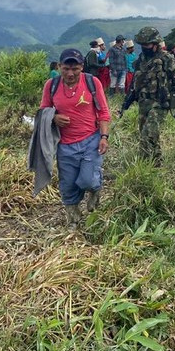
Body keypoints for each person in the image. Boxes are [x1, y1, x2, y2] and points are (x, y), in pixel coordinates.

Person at [39, 48, 111, 229]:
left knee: (88, 180)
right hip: (64, 145)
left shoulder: (92, 82)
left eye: (75, 69)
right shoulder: (51, 85)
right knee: (68, 185)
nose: (70, 73)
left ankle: (95, 190)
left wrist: (104, 137)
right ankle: (74, 219)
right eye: (66, 69)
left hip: (90, 140)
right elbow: (43, 111)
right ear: (59, 66)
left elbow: (103, 112)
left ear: (82, 67)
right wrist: (54, 118)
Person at [127, 27, 175, 165]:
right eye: (142, 45)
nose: (144, 47)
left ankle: (144, 165)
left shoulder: (166, 58)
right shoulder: (141, 59)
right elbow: (136, 80)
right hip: (144, 102)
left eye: (147, 44)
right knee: (147, 133)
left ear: (155, 44)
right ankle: (156, 163)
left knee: (148, 133)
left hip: (160, 102)